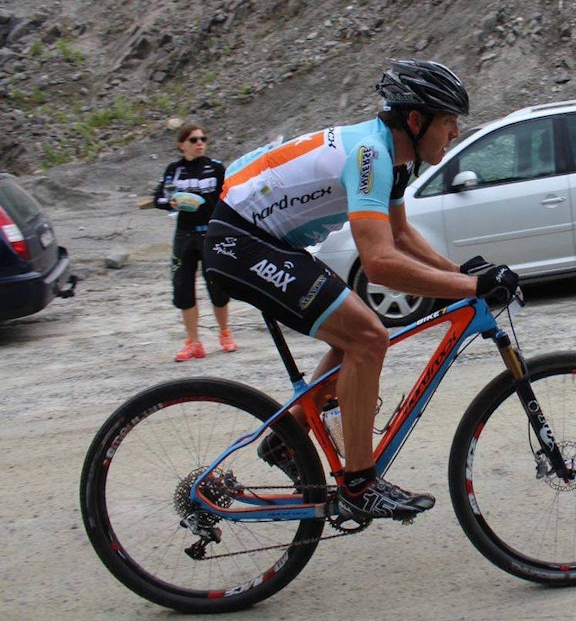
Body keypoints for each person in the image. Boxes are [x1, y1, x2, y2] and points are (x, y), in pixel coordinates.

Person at [203, 59, 519, 522]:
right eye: (450, 121)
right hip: (241, 240)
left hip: (263, 237)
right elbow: (379, 264)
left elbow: (401, 236)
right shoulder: (371, 154)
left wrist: (459, 273)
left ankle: (286, 439)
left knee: (354, 337)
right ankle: (359, 485)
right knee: (368, 336)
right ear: (416, 120)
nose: (454, 133)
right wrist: (472, 285)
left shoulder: (394, 159)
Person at [153, 123, 237, 361]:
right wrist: (171, 203)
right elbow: (159, 198)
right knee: (182, 287)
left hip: (210, 233)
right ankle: (193, 342)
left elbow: (229, 195)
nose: (200, 143)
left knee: (217, 285)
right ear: (182, 145)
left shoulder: (215, 167)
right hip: (184, 235)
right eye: (194, 140)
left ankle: (224, 333)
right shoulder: (174, 170)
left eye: (203, 139)